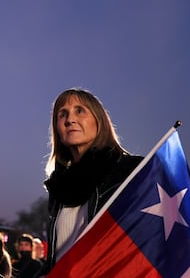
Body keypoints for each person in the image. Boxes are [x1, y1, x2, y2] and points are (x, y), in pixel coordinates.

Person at [42, 88, 143, 273]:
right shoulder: (58, 187)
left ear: (99, 120)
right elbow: (57, 255)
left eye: (79, 111)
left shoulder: (132, 170)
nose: (70, 119)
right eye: (62, 114)